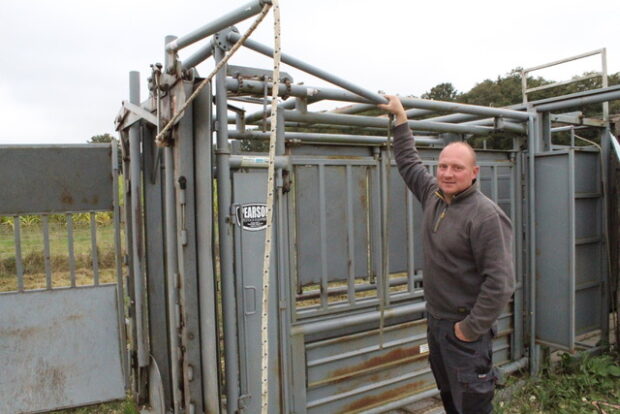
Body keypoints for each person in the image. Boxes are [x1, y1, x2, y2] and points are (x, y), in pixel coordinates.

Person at [379, 95, 515, 414]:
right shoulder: (434, 197)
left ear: (474, 172)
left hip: (464, 330)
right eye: (442, 166)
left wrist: (468, 329)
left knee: (473, 406)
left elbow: (500, 282)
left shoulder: (485, 216)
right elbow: (409, 162)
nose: (448, 173)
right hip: (437, 324)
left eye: (457, 167)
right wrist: (401, 118)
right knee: (451, 401)